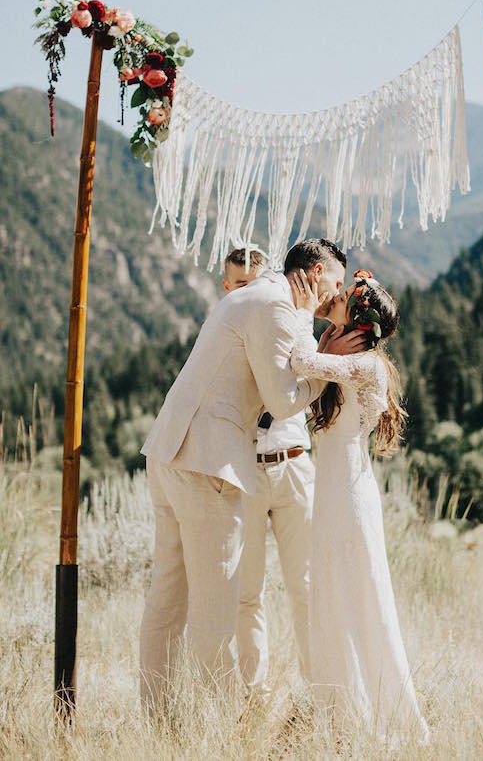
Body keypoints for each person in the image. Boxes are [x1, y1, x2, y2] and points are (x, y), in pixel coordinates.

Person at [138, 239, 353, 713]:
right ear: (317, 272)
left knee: (167, 600)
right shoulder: (275, 305)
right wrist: (332, 366)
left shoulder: (260, 298)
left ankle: (158, 722)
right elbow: (282, 401)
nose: (337, 295)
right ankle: (219, 727)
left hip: (170, 451)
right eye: (337, 283)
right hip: (208, 464)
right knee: (216, 613)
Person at [289, 267, 430, 741]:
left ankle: (372, 715)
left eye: (348, 295)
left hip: (348, 495)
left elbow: (297, 361)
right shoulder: (347, 353)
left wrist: (314, 327)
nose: (340, 293)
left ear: (359, 324)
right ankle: (341, 713)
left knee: (357, 595)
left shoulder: (365, 364)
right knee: (332, 593)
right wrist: (327, 338)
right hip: (333, 491)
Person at [221, 248, 316, 701]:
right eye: (240, 286)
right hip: (248, 473)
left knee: (308, 587)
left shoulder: (292, 323)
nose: (250, 293)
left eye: (256, 284)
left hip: (295, 465)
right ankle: (252, 696)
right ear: (227, 289)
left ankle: (321, 690)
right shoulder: (226, 336)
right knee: (247, 592)